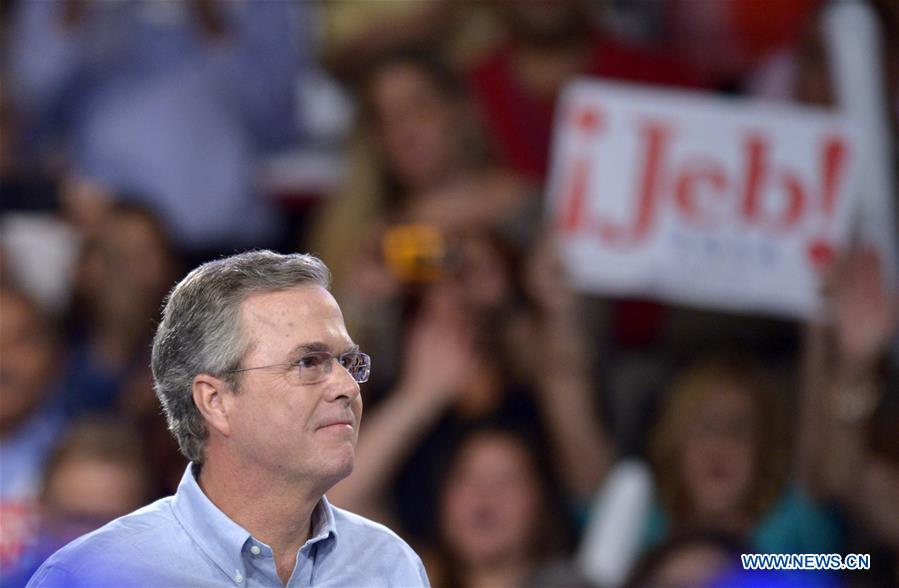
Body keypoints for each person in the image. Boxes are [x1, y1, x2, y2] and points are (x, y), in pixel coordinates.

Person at [26, 251, 429, 587]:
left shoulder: (390, 566)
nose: (347, 386)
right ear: (215, 400)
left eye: (346, 361)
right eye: (309, 362)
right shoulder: (97, 575)